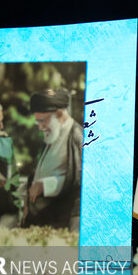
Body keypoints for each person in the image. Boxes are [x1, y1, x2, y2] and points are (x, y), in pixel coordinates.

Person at [25, 88, 83, 231]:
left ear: (59, 114)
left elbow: (81, 180)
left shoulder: (77, 135)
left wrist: (45, 185)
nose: (40, 127)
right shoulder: (54, 133)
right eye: (37, 122)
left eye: (42, 121)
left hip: (65, 219)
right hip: (44, 218)